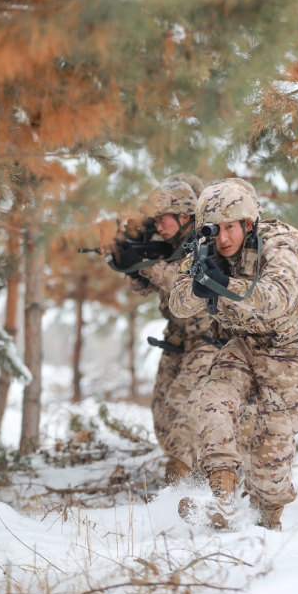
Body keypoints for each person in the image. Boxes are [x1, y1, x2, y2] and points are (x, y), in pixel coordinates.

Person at [169, 178, 298, 530]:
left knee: (271, 439)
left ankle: (266, 519)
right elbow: (178, 304)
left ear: (247, 223)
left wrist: (224, 284)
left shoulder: (281, 247)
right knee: (213, 399)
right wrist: (199, 286)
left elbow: (275, 300)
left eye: (231, 228)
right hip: (250, 342)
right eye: (215, 230)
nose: (223, 239)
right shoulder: (207, 249)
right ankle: (225, 499)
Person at [112, 178, 223, 483]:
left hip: (209, 339)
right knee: (162, 413)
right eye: (155, 220)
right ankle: (191, 469)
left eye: (163, 219)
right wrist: (127, 264)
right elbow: (144, 288)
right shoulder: (167, 244)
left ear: (185, 217)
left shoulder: (208, 242)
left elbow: (186, 283)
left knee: (182, 405)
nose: (158, 226)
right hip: (177, 339)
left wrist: (143, 264)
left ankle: (184, 480)